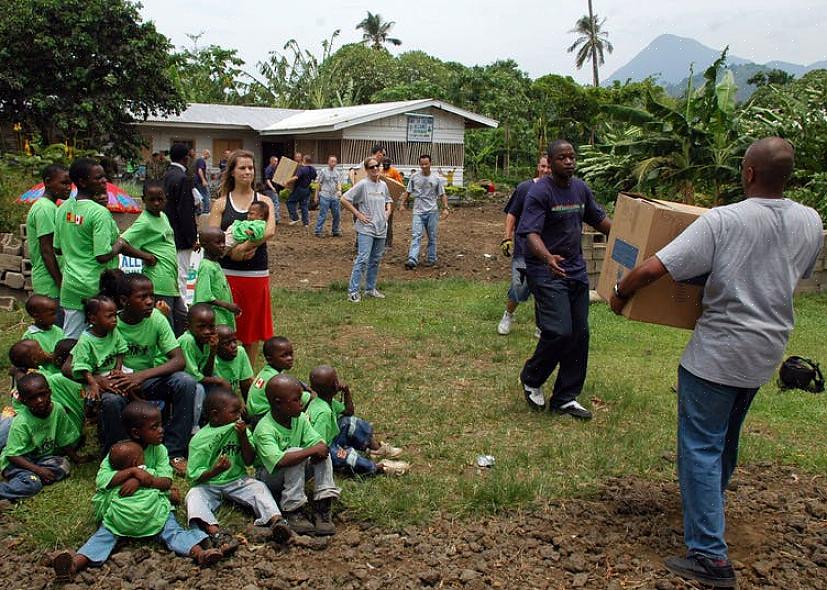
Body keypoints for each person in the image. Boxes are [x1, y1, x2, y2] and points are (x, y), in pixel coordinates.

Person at [609, 137, 823, 588]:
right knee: (724, 439)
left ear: (747, 173)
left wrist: (619, 294)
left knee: (700, 447)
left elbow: (653, 269)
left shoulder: (723, 220)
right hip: (766, 352)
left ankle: (709, 556)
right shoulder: (810, 220)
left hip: (718, 354)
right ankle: (709, 510)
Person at [51, 402, 230, 581]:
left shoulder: (159, 450)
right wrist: (133, 472)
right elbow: (102, 480)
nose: (161, 430)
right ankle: (74, 564)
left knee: (164, 530)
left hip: (148, 509)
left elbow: (166, 482)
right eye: (154, 427)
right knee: (107, 535)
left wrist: (140, 479)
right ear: (136, 432)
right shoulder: (118, 451)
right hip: (126, 511)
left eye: (160, 425)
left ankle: (200, 554)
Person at [516, 140, 612, 419]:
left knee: (579, 334)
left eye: (572, 157)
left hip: (575, 271)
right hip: (545, 271)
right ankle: (532, 377)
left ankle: (565, 398)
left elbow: (598, 220)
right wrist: (547, 258)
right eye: (562, 158)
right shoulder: (539, 192)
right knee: (559, 331)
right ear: (551, 160)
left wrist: (628, 236)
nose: (569, 162)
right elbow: (530, 233)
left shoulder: (580, 188)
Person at [97, 272, 197, 474]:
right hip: (117, 383)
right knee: (111, 401)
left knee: (185, 382)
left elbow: (178, 360)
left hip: (147, 380)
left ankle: (173, 451)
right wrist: (105, 380)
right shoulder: (109, 321)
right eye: (142, 297)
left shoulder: (157, 319)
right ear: (124, 300)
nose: (150, 302)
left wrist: (141, 376)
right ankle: (119, 455)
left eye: (151, 296)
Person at [186, 388, 291, 543]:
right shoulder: (199, 440)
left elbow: (249, 460)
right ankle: (215, 532)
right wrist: (216, 470)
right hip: (209, 484)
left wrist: (242, 436)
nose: (238, 417)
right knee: (193, 496)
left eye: (239, 413)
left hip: (237, 479)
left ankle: (277, 521)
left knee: (258, 487)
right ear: (215, 415)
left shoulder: (240, 430)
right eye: (233, 413)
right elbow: (195, 476)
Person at [207, 150, 277, 367]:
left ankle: (248, 375)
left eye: (251, 167)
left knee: (251, 332)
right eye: (242, 168)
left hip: (255, 275)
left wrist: (245, 246)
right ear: (232, 172)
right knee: (225, 328)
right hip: (227, 275)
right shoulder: (220, 203)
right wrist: (232, 252)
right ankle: (223, 373)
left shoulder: (265, 201)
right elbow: (211, 238)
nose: (248, 172)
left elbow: (270, 230)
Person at [54, 158, 133, 339]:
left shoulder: (63, 208)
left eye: (104, 177)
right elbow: (102, 255)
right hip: (96, 287)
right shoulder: (99, 213)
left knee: (71, 338)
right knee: (102, 339)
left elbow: (58, 248)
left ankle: (67, 367)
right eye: (98, 178)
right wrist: (119, 245)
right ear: (82, 182)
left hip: (71, 285)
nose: (104, 181)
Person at [253, 374, 340, 536]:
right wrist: (311, 451)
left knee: (322, 453)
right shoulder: (264, 429)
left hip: (293, 471)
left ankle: (322, 505)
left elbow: (318, 443)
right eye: (296, 400)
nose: (301, 403)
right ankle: (292, 509)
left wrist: (318, 449)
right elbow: (279, 461)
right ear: (278, 404)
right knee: (295, 453)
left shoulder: (299, 418)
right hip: (269, 478)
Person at [307, 366, 409, 476]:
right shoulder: (323, 413)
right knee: (347, 456)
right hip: (322, 451)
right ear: (334, 387)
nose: (339, 382)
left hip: (330, 439)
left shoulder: (324, 401)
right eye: (336, 381)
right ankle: (378, 468)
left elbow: (349, 412)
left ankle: (377, 449)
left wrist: (346, 392)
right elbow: (318, 446)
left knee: (350, 422)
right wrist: (340, 452)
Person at [0, 373, 86, 501]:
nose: (39, 401)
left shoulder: (57, 409)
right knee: (33, 484)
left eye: (43, 394)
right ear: (24, 401)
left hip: (40, 458)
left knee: (63, 465)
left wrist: (76, 458)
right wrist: (39, 470)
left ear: (50, 392)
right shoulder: (22, 422)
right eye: (32, 398)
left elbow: (62, 437)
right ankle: (8, 490)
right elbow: (12, 455)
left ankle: (32, 476)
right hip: (18, 461)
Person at [497, 155, 551, 336]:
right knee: (519, 285)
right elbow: (512, 214)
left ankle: (541, 325)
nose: (546, 170)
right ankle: (508, 314)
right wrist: (507, 237)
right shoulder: (524, 188)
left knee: (543, 287)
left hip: (548, 249)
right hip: (524, 247)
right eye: (543, 166)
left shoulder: (558, 190)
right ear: (538, 167)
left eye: (549, 167)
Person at [120, 180, 184, 332]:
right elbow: (121, 243)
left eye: (160, 199)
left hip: (171, 282)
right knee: (166, 329)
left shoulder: (163, 216)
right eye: (151, 200)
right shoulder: (144, 222)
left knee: (182, 322)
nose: (156, 203)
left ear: (166, 198)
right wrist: (145, 256)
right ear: (143, 200)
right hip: (158, 282)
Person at [340, 157, 393, 303]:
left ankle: (370, 289)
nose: (375, 169)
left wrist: (388, 212)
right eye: (371, 167)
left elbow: (389, 200)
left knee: (375, 260)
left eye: (377, 166)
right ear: (367, 170)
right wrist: (357, 214)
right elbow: (344, 199)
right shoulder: (363, 184)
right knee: (362, 259)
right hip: (366, 228)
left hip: (381, 228)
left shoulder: (383, 185)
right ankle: (353, 292)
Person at [8, 339, 84, 434]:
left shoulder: (38, 370)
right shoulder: (39, 381)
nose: (43, 351)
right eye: (40, 350)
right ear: (34, 359)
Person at [28, 164, 71, 324]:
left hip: (53, 281)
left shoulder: (53, 207)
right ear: (47, 182)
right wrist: (60, 284)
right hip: (50, 283)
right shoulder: (44, 209)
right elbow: (47, 251)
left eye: (70, 183)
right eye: (64, 183)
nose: (68, 187)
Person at [63, 295, 127, 403]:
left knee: (131, 384)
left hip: (112, 371)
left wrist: (117, 369)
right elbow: (82, 366)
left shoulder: (113, 331)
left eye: (115, 315)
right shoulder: (85, 341)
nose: (114, 320)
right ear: (93, 319)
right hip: (93, 376)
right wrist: (93, 383)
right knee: (94, 396)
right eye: (109, 316)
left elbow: (121, 350)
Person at [163, 143, 198, 335]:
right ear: (186, 158)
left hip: (166, 235)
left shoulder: (166, 175)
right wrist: (192, 237)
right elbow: (185, 212)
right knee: (182, 278)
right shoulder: (183, 179)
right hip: (180, 238)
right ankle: (183, 319)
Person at [177, 304, 231, 427]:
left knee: (220, 387)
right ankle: (194, 426)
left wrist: (213, 352)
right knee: (201, 389)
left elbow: (207, 373)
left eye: (211, 327)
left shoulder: (207, 341)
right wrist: (218, 380)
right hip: (179, 379)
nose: (207, 331)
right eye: (201, 327)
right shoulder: (187, 341)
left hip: (194, 379)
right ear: (188, 326)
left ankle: (220, 421)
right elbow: (193, 376)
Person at [402, 154, 451, 270]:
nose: (424, 166)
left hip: (432, 211)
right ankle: (412, 259)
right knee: (416, 235)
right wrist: (402, 203)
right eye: (422, 164)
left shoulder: (436, 179)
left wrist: (445, 208)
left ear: (430, 164)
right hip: (418, 211)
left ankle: (432, 258)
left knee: (432, 236)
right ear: (419, 164)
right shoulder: (414, 177)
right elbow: (408, 191)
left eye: (426, 164)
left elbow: (442, 194)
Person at [194, 227, 241, 329]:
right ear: (205, 245)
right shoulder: (206, 267)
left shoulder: (215, 264)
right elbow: (204, 296)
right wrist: (228, 306)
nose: (223, 246)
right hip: (214, 317)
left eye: (223, 242)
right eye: (218, 243)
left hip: (222, 315)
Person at [246, 336, 299, 422]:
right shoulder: (274, 379)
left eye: (291, 354)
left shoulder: (267, 372)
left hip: (255, 415)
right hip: (261, 417)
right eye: (284, 356)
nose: (290, 358)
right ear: (269, 359)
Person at [214, 325, 254, 404]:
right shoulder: (212, 360)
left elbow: (246, 383)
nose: (233, 346)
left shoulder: (240, 352)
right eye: (226, 343)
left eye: (234, 341)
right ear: (216, 347)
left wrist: (248, 407)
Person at [23, 295, 65, 366]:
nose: (55, 317)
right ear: (35, 314)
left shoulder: (58, 330)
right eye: (51, 314)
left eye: (55, 313)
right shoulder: (30, 336)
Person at [313, 155, 343, 237]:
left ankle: (335, 230)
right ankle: (318, 231)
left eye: (335, 162)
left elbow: (339, 183)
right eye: (332, 161)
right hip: (324, 195)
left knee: (337, 215)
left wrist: (340, 190)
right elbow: (318, 184)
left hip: (334, 197)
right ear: (328, 162)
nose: (333, 163)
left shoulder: (337, 173)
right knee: (323, 214)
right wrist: (316, 196)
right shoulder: (323, 171)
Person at [286, 154, 317, 228]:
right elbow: (314, 179)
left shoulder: (302, 169)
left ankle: (295, 218)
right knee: (304, 206)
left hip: (300, 189)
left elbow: (296, 177)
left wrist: (287, 181)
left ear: (304, 160)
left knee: (290, 202)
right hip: (307, 189)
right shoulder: (313, 169)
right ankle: (306, 223)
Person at [262, 155, 282, 224]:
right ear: (272, 161)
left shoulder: (274, 169)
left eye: (277, 161)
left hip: (271, 189)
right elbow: (267, 180)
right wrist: (272, 188)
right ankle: (276, 219)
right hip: (269, 189)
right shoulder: (269, 169)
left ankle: (271, 218)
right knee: (275, 203)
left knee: (272, 203)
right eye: (275, 161)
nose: (277, 162)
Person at [195, 149, 211, 214]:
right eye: (208, 156)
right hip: (200, 181)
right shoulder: (201, 161)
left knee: (199, 195)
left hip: (197, 181)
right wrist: (203, 180)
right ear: (205, 154)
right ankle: (206, 210)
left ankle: (199, 210)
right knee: (205, 195)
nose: (208, 158)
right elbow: (200, 170)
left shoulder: (198, 160)